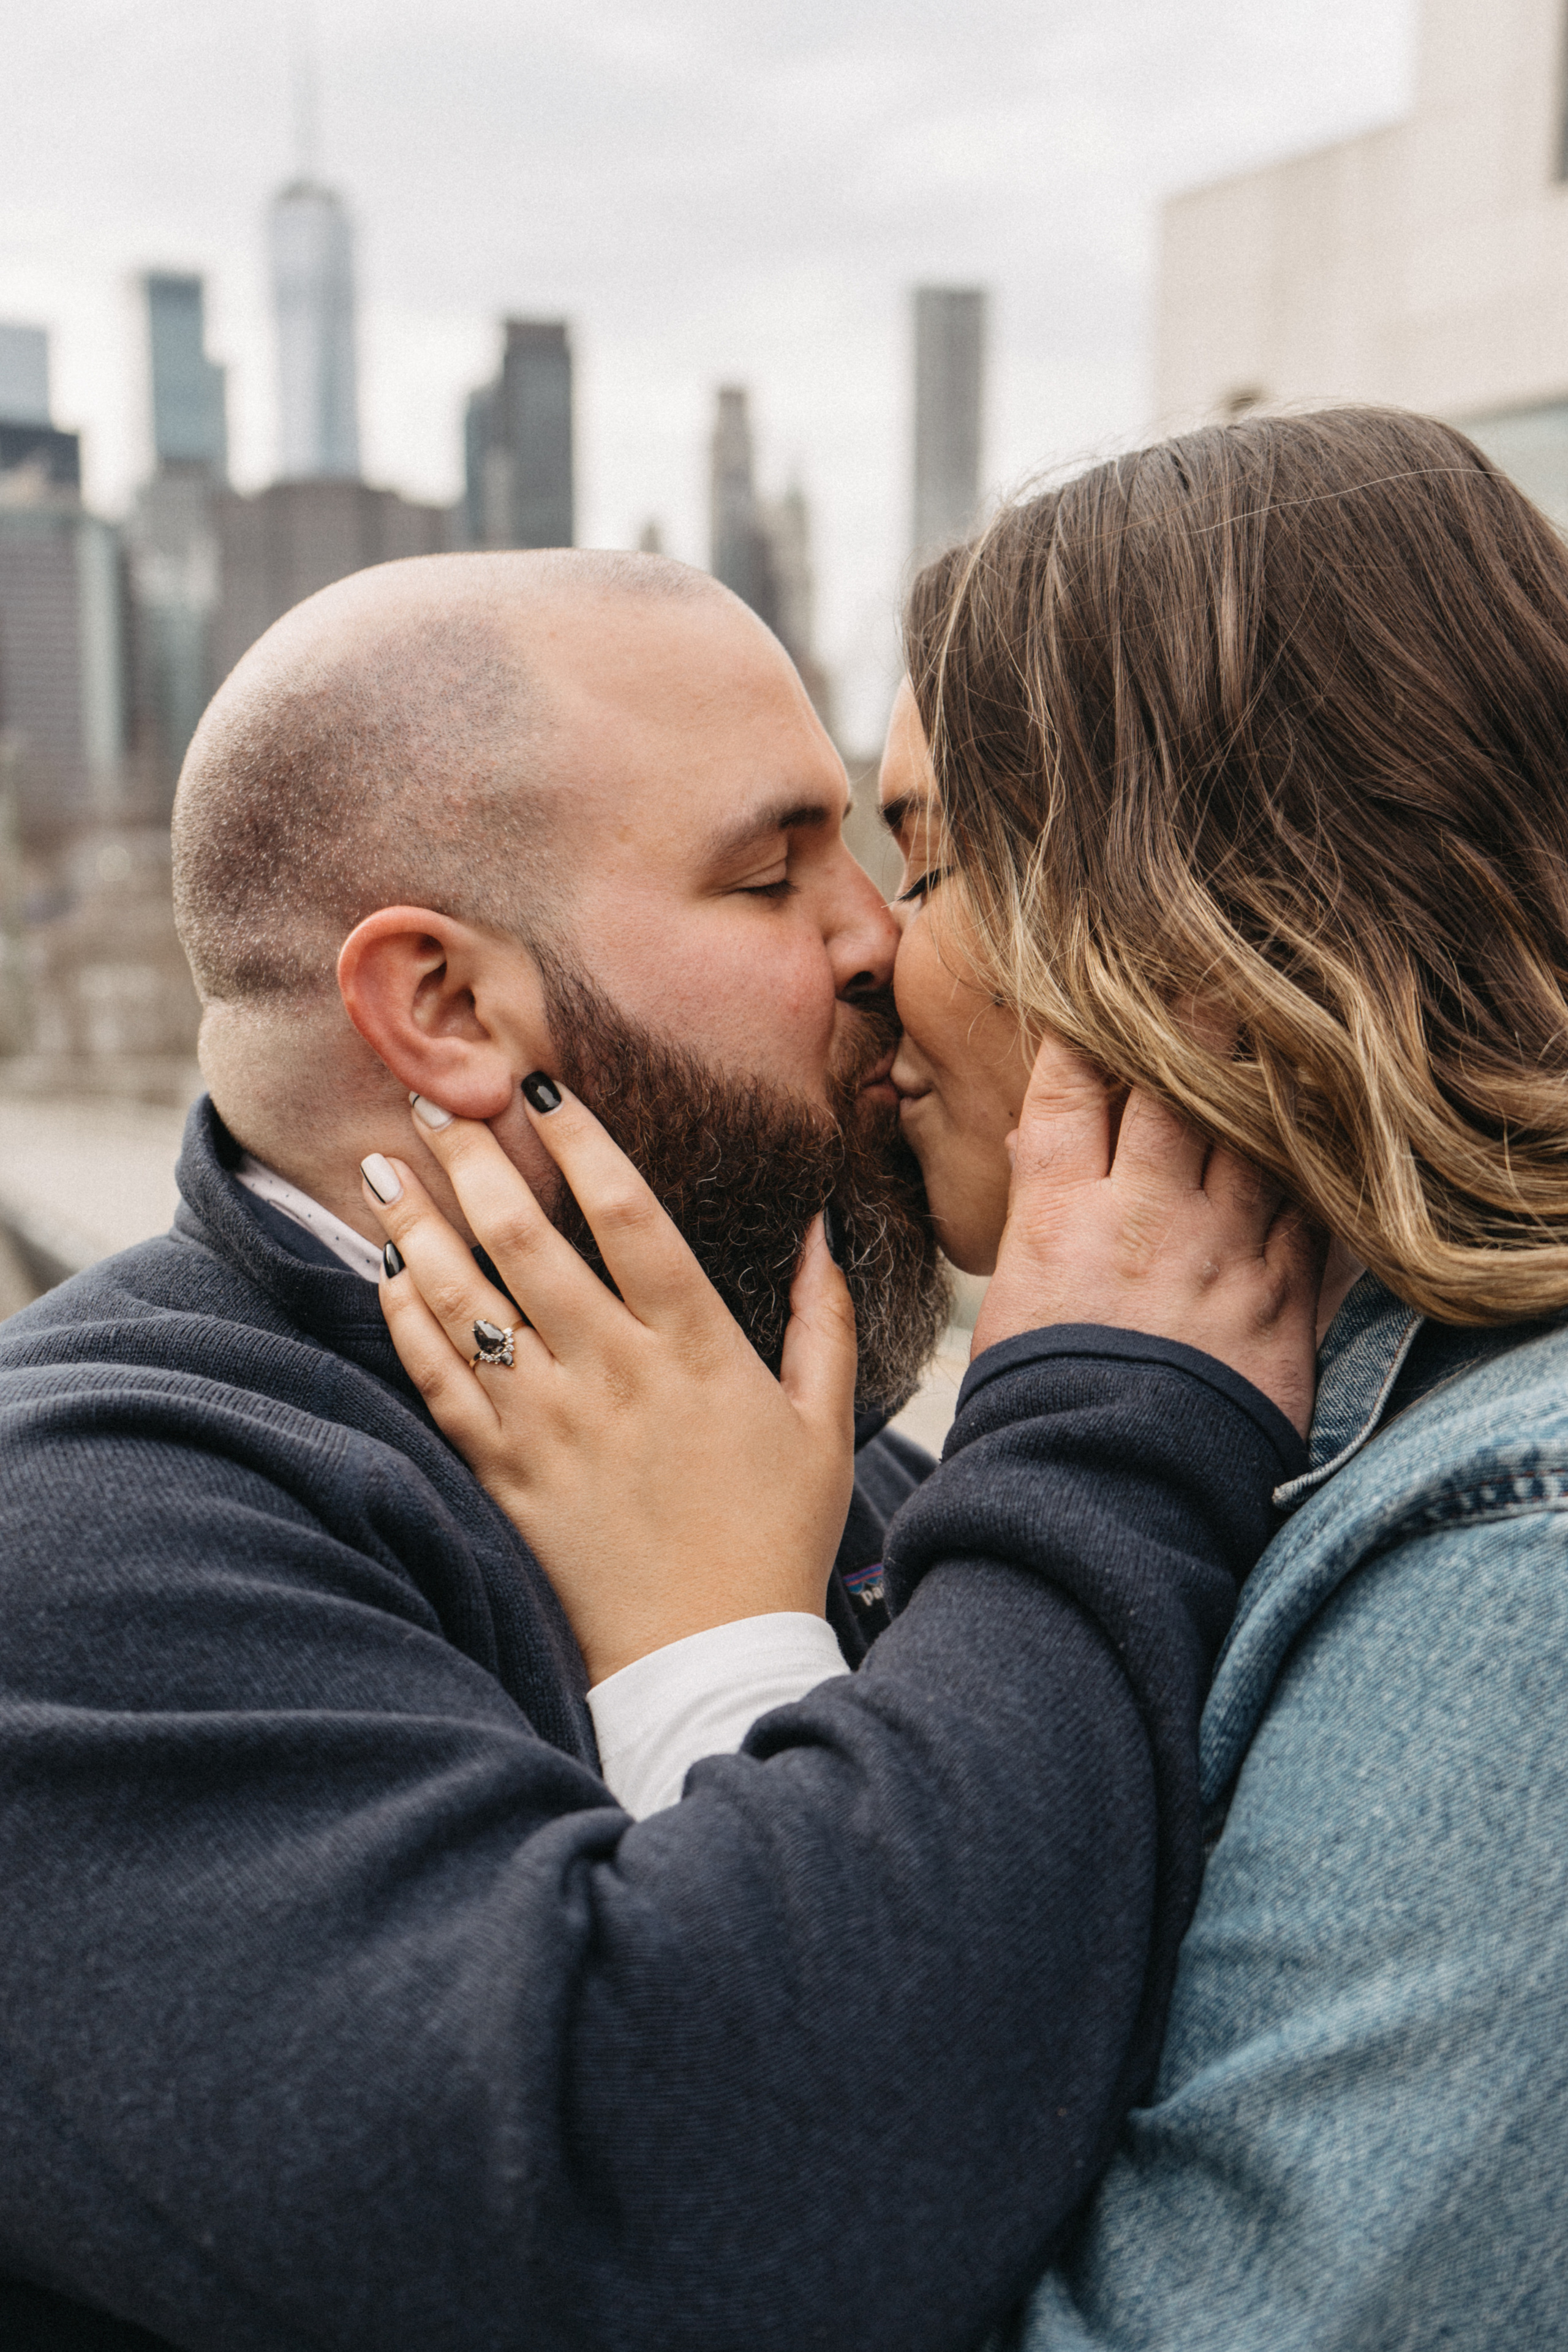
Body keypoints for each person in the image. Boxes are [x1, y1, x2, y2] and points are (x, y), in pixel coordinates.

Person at [0, 549, 1318, 2351]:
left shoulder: (803, 1461)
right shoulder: (78, 1546)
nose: (880, 941)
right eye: (774, 874)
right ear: (445, 1007)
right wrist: (1111, 1429)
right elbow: (705, 2206)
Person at [386, 406, 1568, 2349]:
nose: (870, 951)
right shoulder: (1352, 1449)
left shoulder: (1517, 1564)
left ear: (1204, 914)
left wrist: (722, 1669)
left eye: (926, 860)